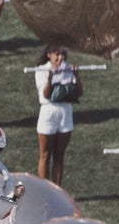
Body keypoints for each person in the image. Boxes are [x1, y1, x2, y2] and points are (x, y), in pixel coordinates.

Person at [34, 45, 83, 186]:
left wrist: (76, 76)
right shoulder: (41, 70)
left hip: (65, 113)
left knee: (59, 155)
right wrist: (50, 78)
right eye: (57, 54)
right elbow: (46, 95)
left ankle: (57, 190)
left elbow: (78, 93)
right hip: (48, 114)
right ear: (49, 54)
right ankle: (44, 190)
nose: (60, 58)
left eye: (62, 54)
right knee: (45, 154)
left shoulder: (68, 68)